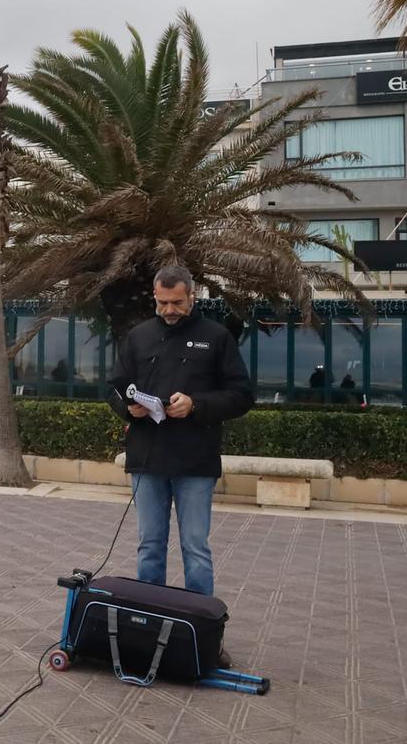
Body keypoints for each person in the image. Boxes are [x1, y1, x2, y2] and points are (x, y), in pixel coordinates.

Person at [109, 265, 253, 669]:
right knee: (149, 547)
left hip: (195, 460)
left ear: (192, 295)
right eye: (162, 303)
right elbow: (114, 387)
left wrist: (197, 405)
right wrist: (129, 407)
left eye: (176, 302)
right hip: (147, 459)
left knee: (195, 549)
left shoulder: (217, 337)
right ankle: (147, 633)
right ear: (154, 297)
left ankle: (204, 637)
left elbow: (242, 395)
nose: (169, 310)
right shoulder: (138, 336)